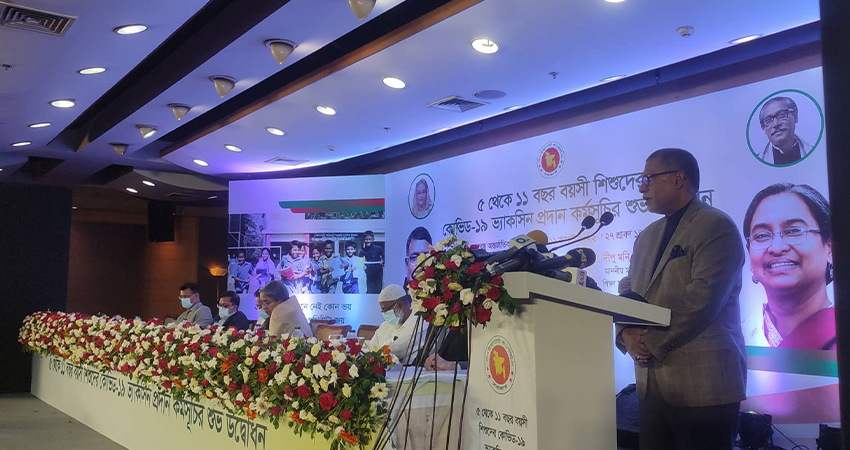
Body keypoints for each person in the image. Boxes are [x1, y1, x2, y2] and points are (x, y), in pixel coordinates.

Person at [616, 148, 746, 449]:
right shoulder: (647, 235)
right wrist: (626, 333)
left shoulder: (716, 226)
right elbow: (628, 287)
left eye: (648, 178)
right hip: (651, 386)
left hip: (704, 385)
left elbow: (702, 300)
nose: (641, 187)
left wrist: (647, 342)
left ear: (678, 179)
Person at [741, 183, 835, 350]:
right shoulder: (738, 338)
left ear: (829, 248)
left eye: (793, 231)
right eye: (762, 235)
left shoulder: (841, 332)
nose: (777, 248)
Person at [372, 284, 426, 363]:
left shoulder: (419, 324)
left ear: (400, 305)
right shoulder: (386, 325)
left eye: (385, 309)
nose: (384, 313)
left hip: (408, 369)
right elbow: (372, 347)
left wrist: (378, 352)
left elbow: (396, 350)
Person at [758, 96, 812, 165]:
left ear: (795, 117)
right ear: (763, 128)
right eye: (768, 120)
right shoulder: (755, 163)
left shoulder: (818, 153)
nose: (776, 124)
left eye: (782, 115)